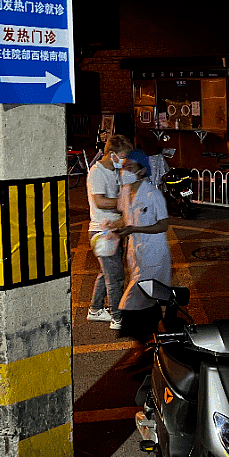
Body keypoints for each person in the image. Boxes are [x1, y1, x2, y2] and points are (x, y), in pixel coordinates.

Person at [111, 149, 172, 366]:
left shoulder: (152, 194)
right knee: (148, 301)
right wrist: (115, 226)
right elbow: (125, 219)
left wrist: (133, 229)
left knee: (131, 303)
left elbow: (163, 225)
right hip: (136, 255)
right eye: (123, 167)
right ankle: (154, 345)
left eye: (130, 167)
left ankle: (142, 347)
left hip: (153, 256)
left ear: (142, 171)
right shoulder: (125, 192)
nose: (124, 171)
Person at [86, 134, 133, 330]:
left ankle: (95, 310)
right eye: (122, 156)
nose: (123, 160)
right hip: (102, 232)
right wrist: (124, 205)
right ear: (111, 154)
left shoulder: (115, 171)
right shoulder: (97, 172)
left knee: (106, 272)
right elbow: (100, 201)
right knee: (116, 277)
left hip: (114, 229)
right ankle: (118, 318)